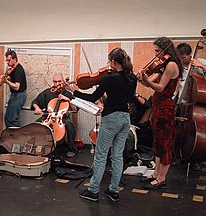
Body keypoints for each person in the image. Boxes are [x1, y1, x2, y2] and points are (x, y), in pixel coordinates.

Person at [73, 47, 137, 202]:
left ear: (113, 62)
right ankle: (114, 191)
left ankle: (94, 190)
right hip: (125, 119)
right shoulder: (132, 78)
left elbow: (93, 96)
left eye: (109, 61)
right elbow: (127, 97)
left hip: (111, 118)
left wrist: (73, 92)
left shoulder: (110, 79)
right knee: (117, 156)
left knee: (101, 155)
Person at [137, 37, 183, 189]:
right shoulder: (163, 65)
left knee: (164, 143)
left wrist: (147, 81)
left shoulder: (171, 65)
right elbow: (150, 82)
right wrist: (142, 78)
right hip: (158, 106)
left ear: (165, 50)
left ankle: (161, 178)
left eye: (157, 51)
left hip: (165, 107)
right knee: (157, 142)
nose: (156, 55)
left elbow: (160, 87)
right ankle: (156, 174)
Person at [31, 73, 77, 157]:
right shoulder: (47, 92)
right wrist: (37, 108)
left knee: (69, 125)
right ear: (53, 82)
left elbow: (75, 109)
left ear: (63, 81)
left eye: (59, 81)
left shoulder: (67, 93)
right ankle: (38, 147)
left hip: (62, 117)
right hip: (48, 116)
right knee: (37, 124)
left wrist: (68, 100)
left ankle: (72, 149)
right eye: (55, 81)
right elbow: (35, 102)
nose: (57, 84)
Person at [0, 49, 27, 128]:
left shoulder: (18, 70)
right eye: (6, 60)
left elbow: (17, 87)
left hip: (19, 95)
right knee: (7, 118)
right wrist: (3, 79)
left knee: (13, 120)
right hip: (14, 95)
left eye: (9, 60)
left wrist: (6, 81)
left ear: (14, 59)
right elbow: (11, 79)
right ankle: (9, 138)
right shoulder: (12, 69)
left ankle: (17, 139)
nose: (7, 62)